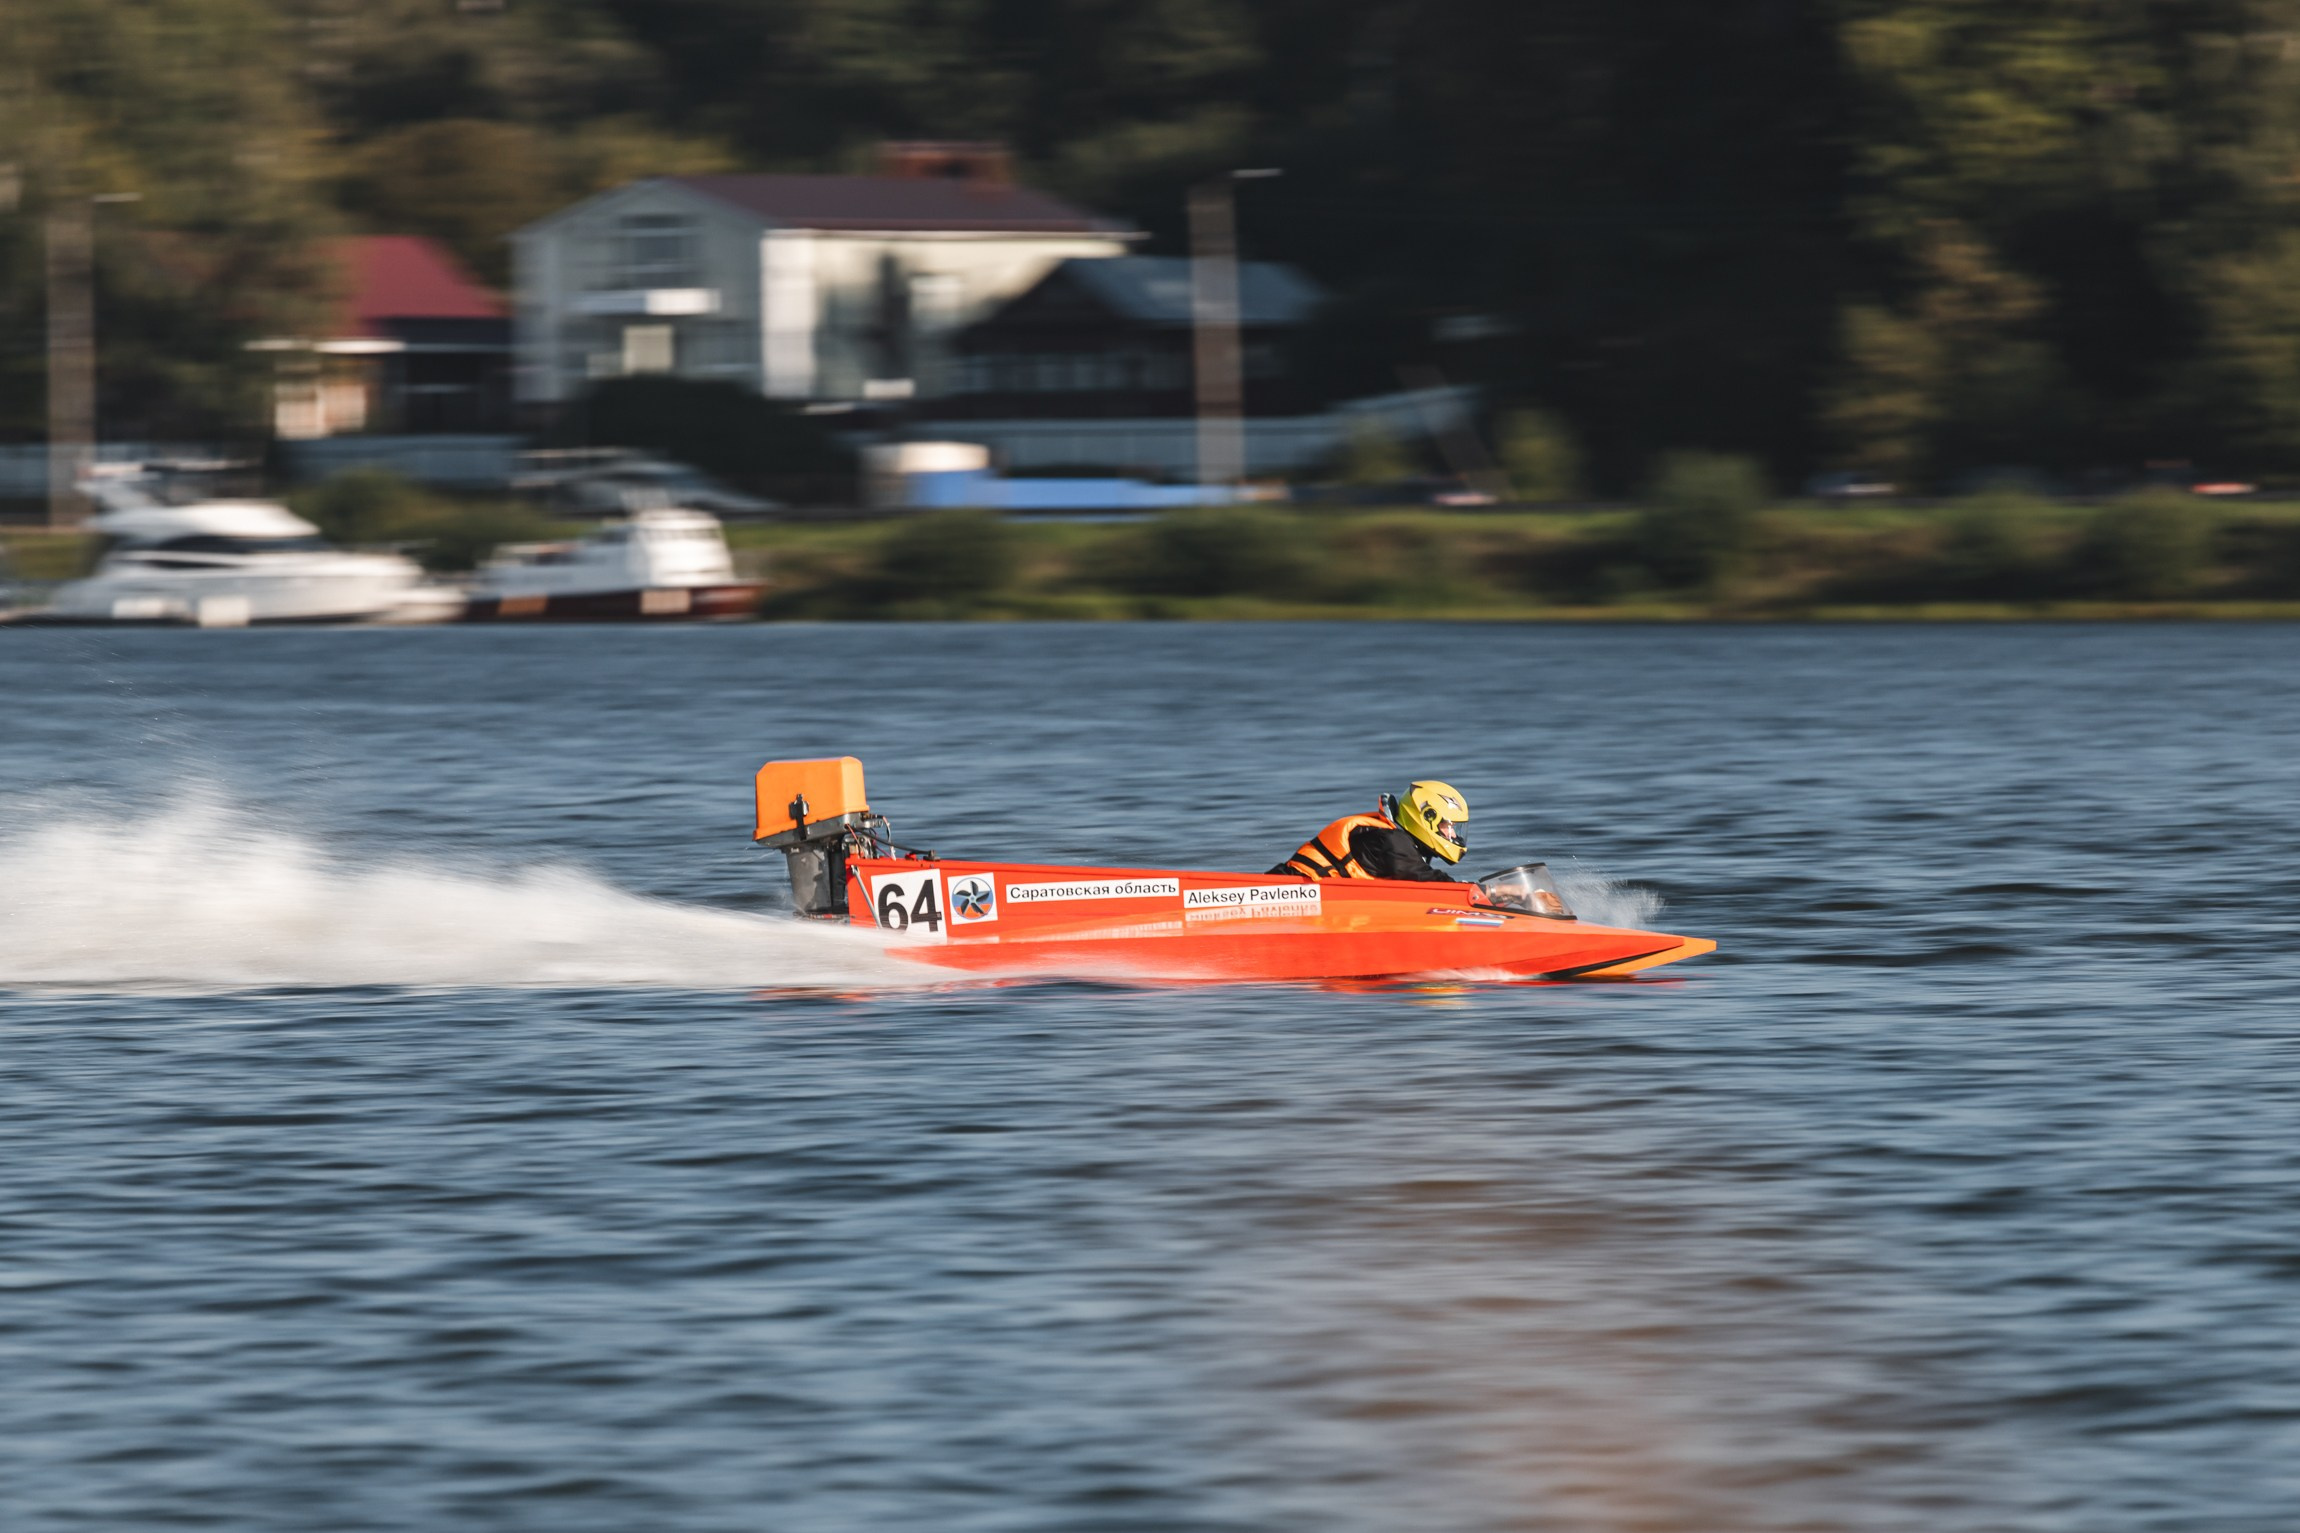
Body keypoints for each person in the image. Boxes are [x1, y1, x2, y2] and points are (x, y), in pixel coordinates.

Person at [1271, 781, 1470, 882]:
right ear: (1427, 818)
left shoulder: (1396, 840)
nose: (1452, 834)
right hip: (1294, 890)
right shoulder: (1393, 841)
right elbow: (1420, 876)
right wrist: (1467, 892)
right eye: (1448, 826)